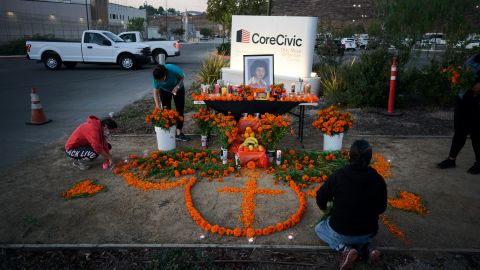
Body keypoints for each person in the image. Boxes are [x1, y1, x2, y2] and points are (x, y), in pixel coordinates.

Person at [315, 140, 387, 270]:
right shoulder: (378, 179)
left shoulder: (339, 175)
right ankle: (367, 249)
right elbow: (382, 208)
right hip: (368, 231)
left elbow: (321, 197)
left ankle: (345, 249)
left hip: (341, 231)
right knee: (362, 235)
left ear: (349, 156)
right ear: (370, 158)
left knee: (320, 228)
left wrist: (325, 208)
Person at [437, 71, 480, 174]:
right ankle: (451, 159)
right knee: (460, 130)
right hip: (464, 97)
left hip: (477, 101)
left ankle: (479, 163)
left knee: (477, 132)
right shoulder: (474, 59)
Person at [152, 64, 190, 141]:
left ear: (165, 74)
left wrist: (177, 86)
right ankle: (168, 132)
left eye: (161, 80)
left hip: (178, 89)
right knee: (166, 111)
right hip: (164, 91)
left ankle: (179, 133)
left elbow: (182, 77)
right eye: (158, 80)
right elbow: (155, 92)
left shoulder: (173, 70)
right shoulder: (156, 77)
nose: (159, 81)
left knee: (179, 110)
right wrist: (157, 105)